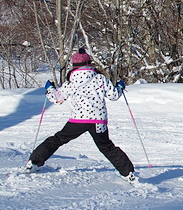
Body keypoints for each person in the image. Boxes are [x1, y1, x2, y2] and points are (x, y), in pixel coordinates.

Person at [23, 48, 137, 183]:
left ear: (74, 65)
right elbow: (114, 95)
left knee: (58, 139)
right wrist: (120, 87)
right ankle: (128, 172)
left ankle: (34, 162)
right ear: (89, 63)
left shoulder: (72, 81)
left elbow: (57, 99)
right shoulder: (100, 79)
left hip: (78, 120)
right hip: (98, 121)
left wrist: (49, 89)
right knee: (106, 147)